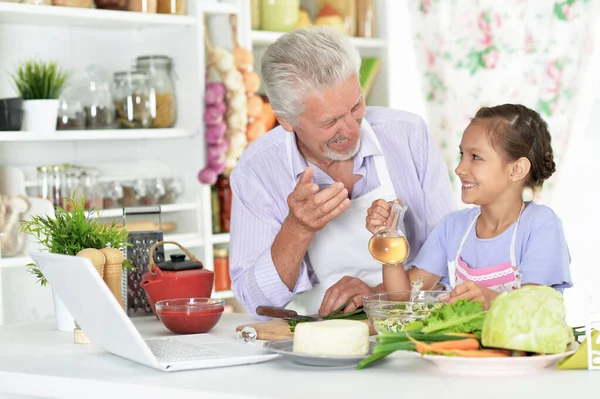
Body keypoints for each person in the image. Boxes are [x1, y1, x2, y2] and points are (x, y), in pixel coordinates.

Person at [229, 27, 455, 319]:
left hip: (409, 326)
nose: (351, 129)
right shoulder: (257, 169)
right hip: (314, 340)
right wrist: (297, 229)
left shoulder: (409, 135)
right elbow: (254, 302)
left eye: (356, 105)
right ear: (286, 120)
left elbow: (449, 253)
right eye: (331, 120)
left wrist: (378, 299)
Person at [366, 104, 572, 310]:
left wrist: (493, 301)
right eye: (461, 155)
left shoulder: (541, 225)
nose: (459, 168)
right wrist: (389, 239)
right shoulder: (453, 227)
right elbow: (401, 300)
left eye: (475, 157)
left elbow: (538, 309)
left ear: (516, 169)